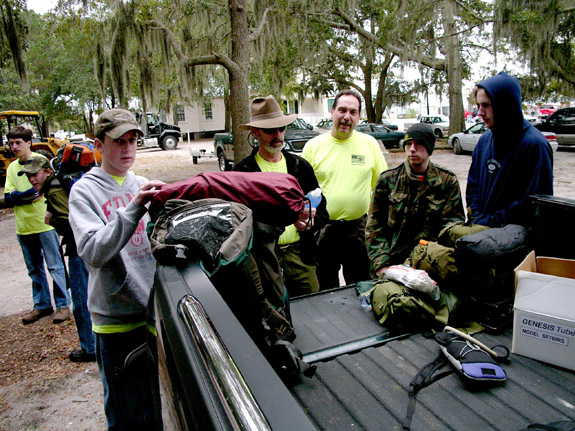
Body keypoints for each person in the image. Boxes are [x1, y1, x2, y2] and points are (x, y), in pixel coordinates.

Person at [68, 109, 165, 430]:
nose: (127, 149)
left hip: (152, 317)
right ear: (98, 144)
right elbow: (93, 251)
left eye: (133, 141)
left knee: (156, 407)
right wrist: (135, 208)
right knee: (127, 415)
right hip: (115, 324)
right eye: (118, 142)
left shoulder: (142, 185)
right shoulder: (85, 191)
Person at [233, 95, 329, 296]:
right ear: (255, 132)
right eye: (269, 130)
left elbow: (322, 210)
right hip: (264, 260)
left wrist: (312, 220)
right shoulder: (243, 172)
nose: (277, 135)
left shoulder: (299, 166)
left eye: (281, 128)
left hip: (301, 256)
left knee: (313, 310)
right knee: (274, 315)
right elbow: (235, 222)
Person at [302, 89, 388, 289]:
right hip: (323, 229)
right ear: (332, 112)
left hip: (358, 229)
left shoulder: (370, 145)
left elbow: (383, 189)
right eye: (342, 110)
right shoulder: (313, 147)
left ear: (359, 117)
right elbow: (300, 192)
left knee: (361, 286)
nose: (346, 117)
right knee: (324, 287)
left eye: (353, 112)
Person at [18, 155, 96, 362]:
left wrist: (53, 220)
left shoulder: (53, 191)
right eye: (28, 176)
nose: (32, 179)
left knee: (80, 301)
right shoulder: (57, 185)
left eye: (35, 174)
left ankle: (89, 348)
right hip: (85, 248)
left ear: (47, 172)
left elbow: (74, 223)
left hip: (80, 250)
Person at [365, 124, 465, 276]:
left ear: (429, 148)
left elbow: (453, 226)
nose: (412, 149)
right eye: (408, 144)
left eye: (418, 144)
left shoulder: (446, 181)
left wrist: (440, 259)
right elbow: (374, 226)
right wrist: (381, 265)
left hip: (431, 264)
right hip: (392, 265)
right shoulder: (388, 179)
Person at [467, 71, 553, 228]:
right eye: (478, 106)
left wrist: (489, 222)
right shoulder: (484, 141)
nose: (480, 113)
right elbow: (473, 187)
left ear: (504, 105)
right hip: (480, 233)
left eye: (486, 105)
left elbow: (532, 205)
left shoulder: (534, 146)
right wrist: (476, 216)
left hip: (514, 239)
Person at [4, 125, 71, 325]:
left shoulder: (40, 161)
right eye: (11, 143)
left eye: (18, 143)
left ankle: (62, 305)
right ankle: (41, 304)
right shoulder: (12, 168)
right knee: (34, 269)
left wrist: (20, 196)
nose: (14, 147)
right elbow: (9, 198)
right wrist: (21, 196)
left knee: (55, 266)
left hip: (45, 225)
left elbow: (41, 192)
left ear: (28, 143)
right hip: (23, 227)